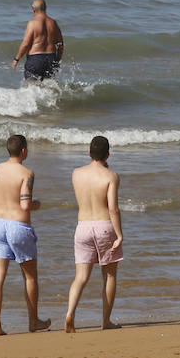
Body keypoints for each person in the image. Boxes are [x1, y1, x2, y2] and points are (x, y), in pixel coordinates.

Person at [0, 134, 50, 335]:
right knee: (30, 277)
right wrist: (36, 204)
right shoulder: (27, 173)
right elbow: (24, 204)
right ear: (23, 151)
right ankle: (33, 322)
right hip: (18, 226)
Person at [65, 136, 123, 333]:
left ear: (89, 153)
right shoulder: (111, 176)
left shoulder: (76, 173)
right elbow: (113, 209)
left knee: (80, 276)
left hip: (82, 227)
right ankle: (105, 321)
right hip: (104, 226)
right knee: (109, 276)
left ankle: (70, 313)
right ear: (108, 154)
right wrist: (119, 235)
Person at [11, 0, 64, 82]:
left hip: (35, 59)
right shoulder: (53, 23)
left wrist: (16, 59)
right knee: (48, 87)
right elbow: (60, 44)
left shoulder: (32, 23)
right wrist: (56, 61)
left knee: (30, 86)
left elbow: (26, 43)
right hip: (51, 58)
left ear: (33, 10)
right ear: (45, 8)